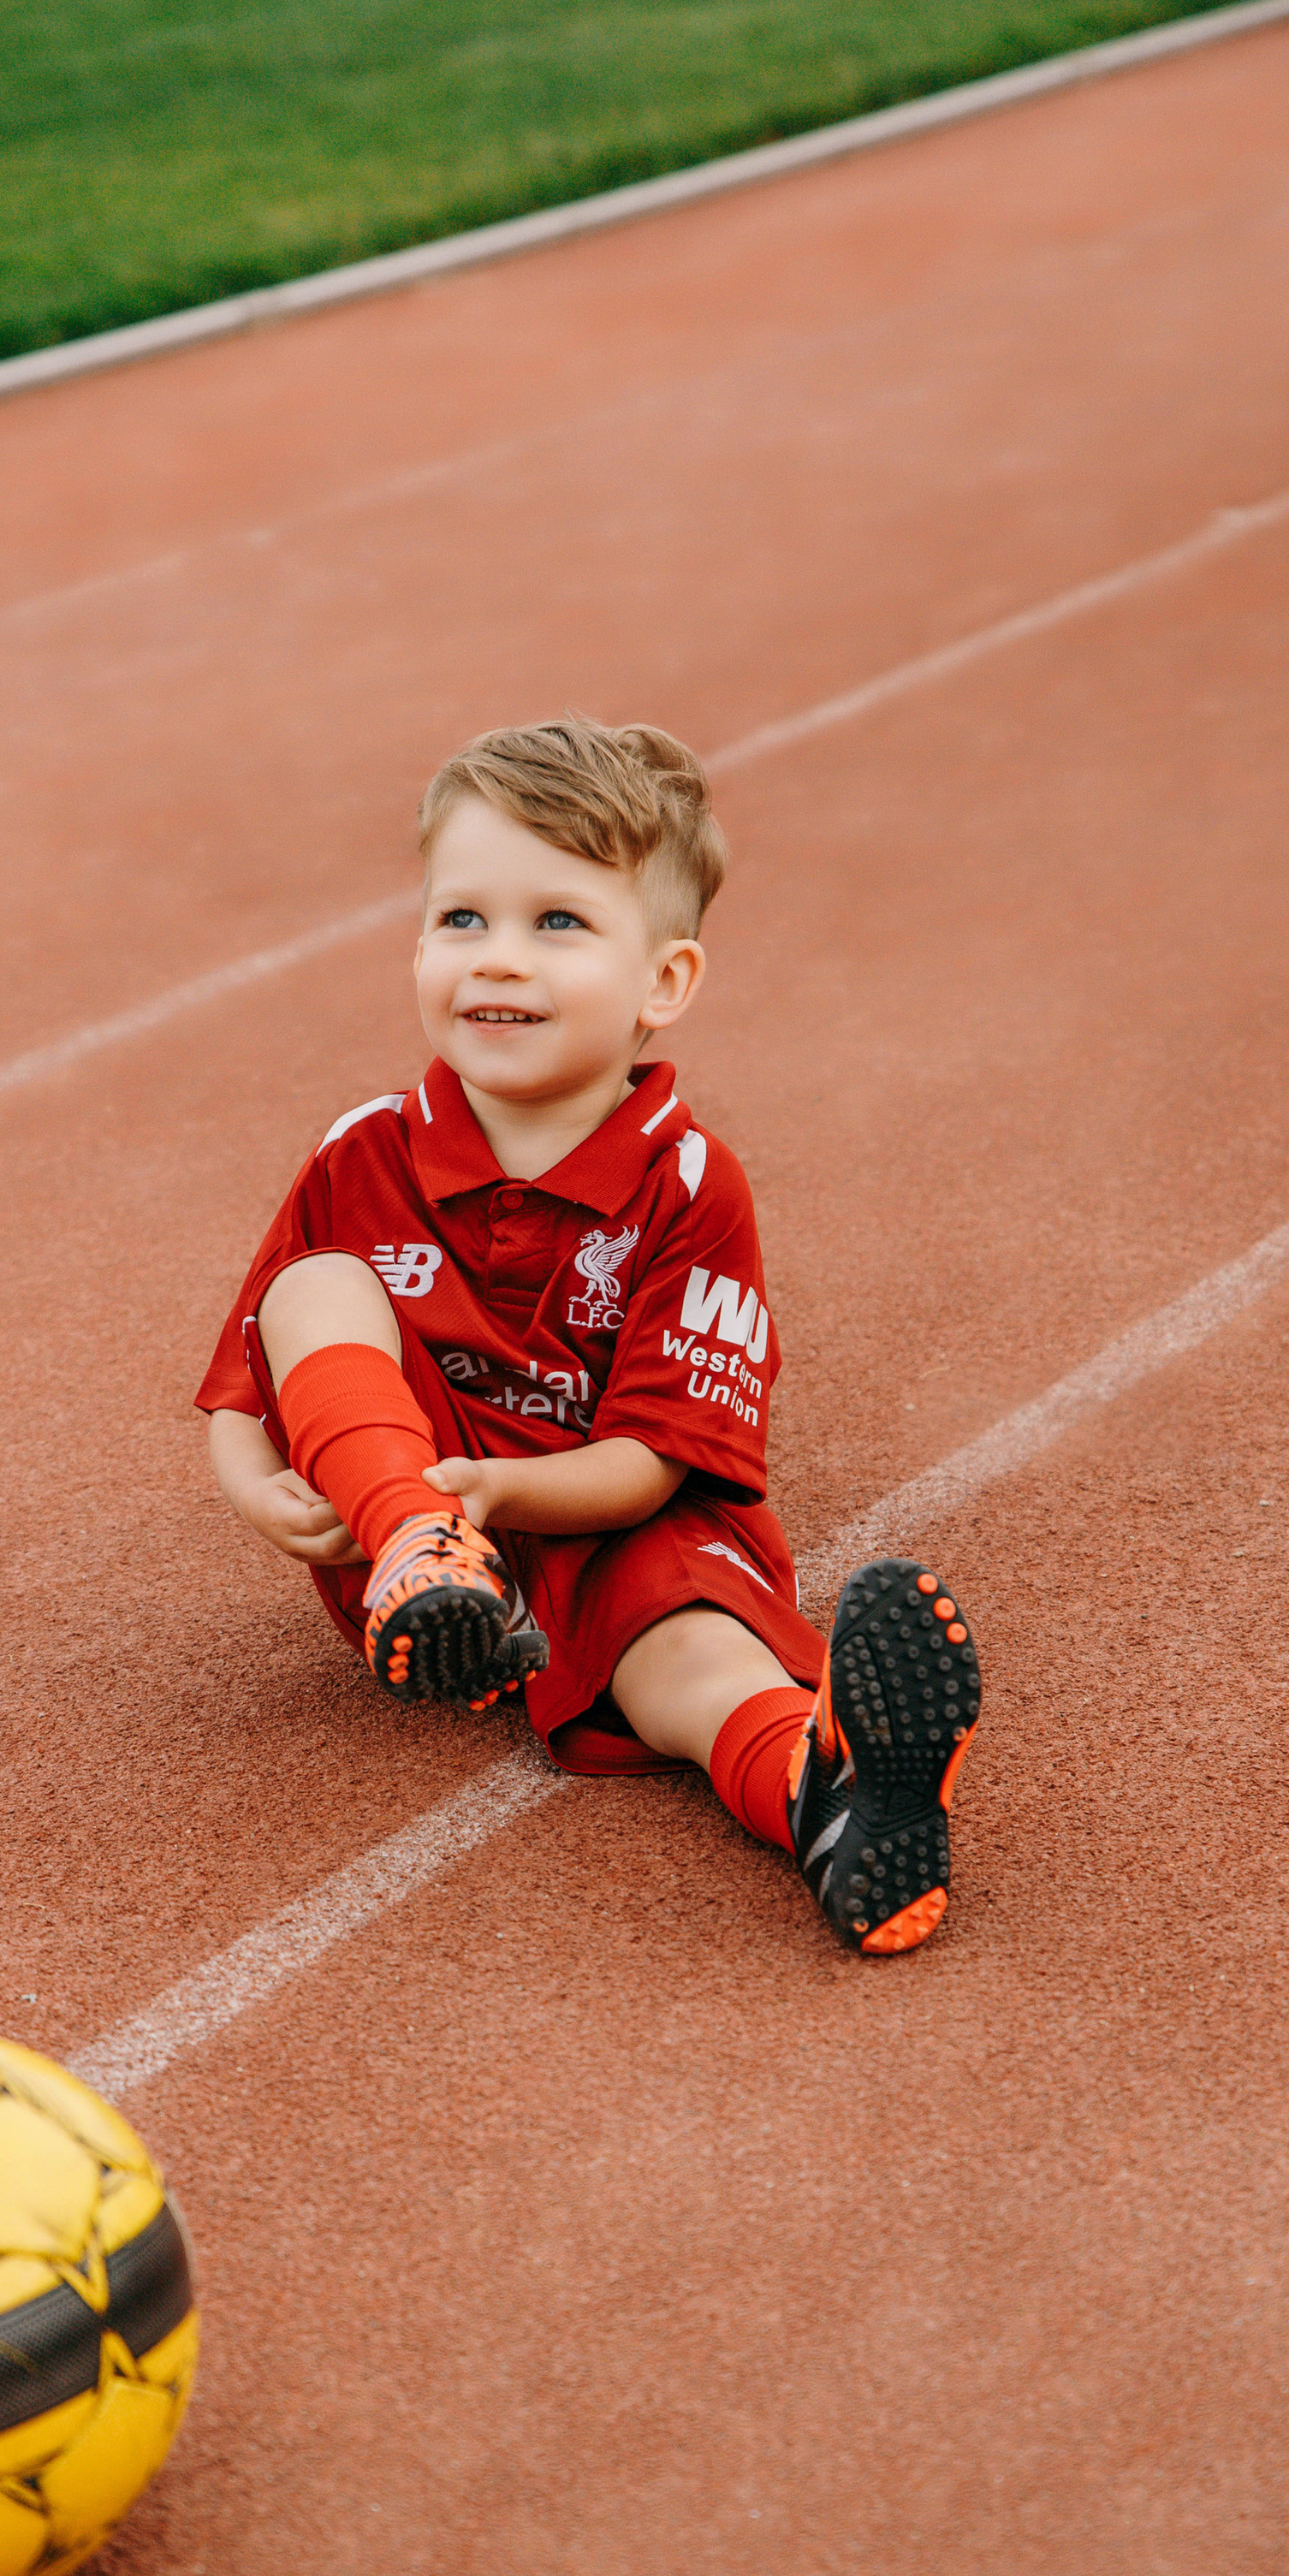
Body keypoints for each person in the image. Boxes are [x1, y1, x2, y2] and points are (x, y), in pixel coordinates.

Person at [197, 717, 979, 1954]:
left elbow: (656, 1462)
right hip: (409, 1519)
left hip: (615, 1520)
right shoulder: (363, 1151)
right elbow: (253, 1375)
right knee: (320, 1283)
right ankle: (424, 1561)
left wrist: (501, 1492)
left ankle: (826, 1800)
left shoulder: (689, 1183)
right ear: (418, 944)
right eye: (463, 919)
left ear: (664, 982)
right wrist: (260, 1490)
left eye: (557, 923)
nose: (499, 960)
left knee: (698, 1671)